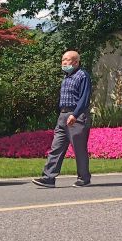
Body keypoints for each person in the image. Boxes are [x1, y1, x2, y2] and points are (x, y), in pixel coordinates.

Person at [32, 50, 92, 188]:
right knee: (56, 147)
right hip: (63, 116)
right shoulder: (66, 77)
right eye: (62, 60)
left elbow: (84, 98)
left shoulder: (82, 76)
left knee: (79, 149)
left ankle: (84, 178)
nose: (64, 62)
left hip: (77, 116)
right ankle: (48, 178)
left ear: (76, 62)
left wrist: (75, 115)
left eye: (67, 60)